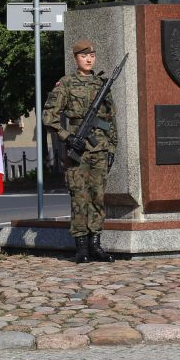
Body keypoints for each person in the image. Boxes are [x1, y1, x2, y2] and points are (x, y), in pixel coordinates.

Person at [46, 40, 117, 264]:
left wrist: (112, 147)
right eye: (84, 56)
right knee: (79, 198)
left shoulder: (101, 84)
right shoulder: (66, 84)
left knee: (97, 197)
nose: (88, 59)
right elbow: (50, 118)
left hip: (100, 149)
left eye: (92, 56)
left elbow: (111, 120)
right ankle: (81, 247)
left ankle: (96, 244)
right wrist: (68, 138)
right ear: (75, 58)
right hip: (78, 150)